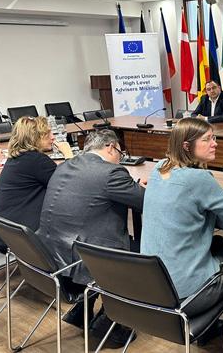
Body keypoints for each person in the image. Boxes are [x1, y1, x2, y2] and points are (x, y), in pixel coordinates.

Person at [36, 129, 145, 348]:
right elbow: (144, 201)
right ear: (111, 147)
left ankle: (81, 309)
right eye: (120, 153)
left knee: (96, 230)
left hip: (49, 257)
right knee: (140, 253)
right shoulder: (111, 172)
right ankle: (111, 322)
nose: (120, 158)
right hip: (82, 264)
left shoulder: (65, 165)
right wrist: (136, 187)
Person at [141, 118, 223, 339]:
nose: (215, 143)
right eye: (207, 139)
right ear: (186, 146)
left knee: (217, 242)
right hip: (186, 297)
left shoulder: (158, 168)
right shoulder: (199, 179)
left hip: (153, 289)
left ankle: (210, 330)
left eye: (214, 137)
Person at [0, 117, 72, 253]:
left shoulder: (16, 158)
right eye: (48, 134)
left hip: (4, 235)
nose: (53, 137)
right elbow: (72, 184)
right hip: (22, 241)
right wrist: (68, 155)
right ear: (35, 137)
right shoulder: (37, 160)